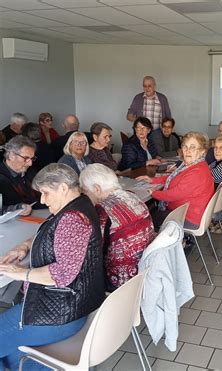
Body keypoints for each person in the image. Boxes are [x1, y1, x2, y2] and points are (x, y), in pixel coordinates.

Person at [0, 163, 105, 370]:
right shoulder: (79, 204)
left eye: (46, 193)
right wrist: (24, 246)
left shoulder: (72, 220)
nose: (42, 200)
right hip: (72, 307)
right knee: (10, 356)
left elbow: (62, 274)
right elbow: (49, 231)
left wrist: (21, 273)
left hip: (58, 314)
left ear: (63, 188)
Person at [80, 164, 155, 291]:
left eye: (85, 191)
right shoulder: (132, 195)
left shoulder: (102, 211)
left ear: (97, 189)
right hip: (147, 267)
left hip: (121, 281)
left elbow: (91, 251)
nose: (85, 196)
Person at [138, 131, 214, 230]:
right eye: (185, 146)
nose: (187, 151)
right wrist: (153, 180)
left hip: (188, 218)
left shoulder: (197, 172)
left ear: (202, 151)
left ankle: (167, 241)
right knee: (152, 211)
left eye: (192, 147)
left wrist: (154, 193)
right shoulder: (196, 165)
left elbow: (174, 195)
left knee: (147, 219)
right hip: (190, 212)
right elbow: (175, 178)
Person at [0, 136, 44, 210]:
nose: (30, 163)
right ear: (12, 156)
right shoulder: (2, 179)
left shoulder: (30, 171)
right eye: (26, 158)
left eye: (32, 158)